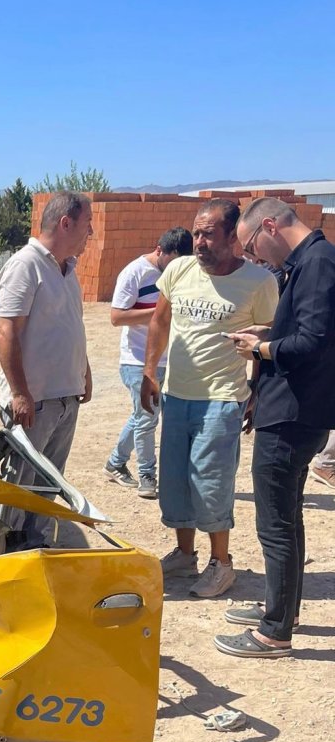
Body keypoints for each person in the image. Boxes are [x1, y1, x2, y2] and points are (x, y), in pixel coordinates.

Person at [213, 198, 335, 657]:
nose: (254, 257)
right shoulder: (313, 261)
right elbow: (304, 329)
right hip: (294, 411)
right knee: (287, 517)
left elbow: (314, 341)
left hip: (293, 415)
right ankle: (285, 609)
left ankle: (274, 632)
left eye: (252, 246)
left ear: (269, 225)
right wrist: (268, 333)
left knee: (276, 523)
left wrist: (261, 351)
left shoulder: (319, 263)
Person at [141, 199, 278, 598]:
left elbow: (268, 338)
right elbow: (160, 320)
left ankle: (222, 563)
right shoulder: (179, 269)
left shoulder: (258, 283)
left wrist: (258, 391)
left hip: (222, 397)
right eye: (196, 233)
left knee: (211, 483)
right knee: (176, 481)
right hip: (177, 393)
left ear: (232, 237)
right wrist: (150, 372)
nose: (199, 242)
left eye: (208, 234)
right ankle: (186, 555)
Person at [0, 190, 93, 548]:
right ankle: (6, 555)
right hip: (34, 404)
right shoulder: (26, 265)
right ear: (66, 223)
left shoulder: (67, 268)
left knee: (48, 484)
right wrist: (20, 392)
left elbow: (70, 324)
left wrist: (84, 370)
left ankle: (34, 550)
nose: (91, 233)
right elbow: (6, 331)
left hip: (63, 399)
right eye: (87, 224)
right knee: (20, 490)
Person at [105, 227, 194, 499]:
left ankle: (115, 463)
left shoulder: (182, 272)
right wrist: (159, 314)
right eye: (171, 261)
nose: (175, 269)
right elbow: (117, 317)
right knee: (147, 419)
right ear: (159, 250)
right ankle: (147, 475)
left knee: (143, 416)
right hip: (138, 361)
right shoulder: (135, 273)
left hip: (173, 359)